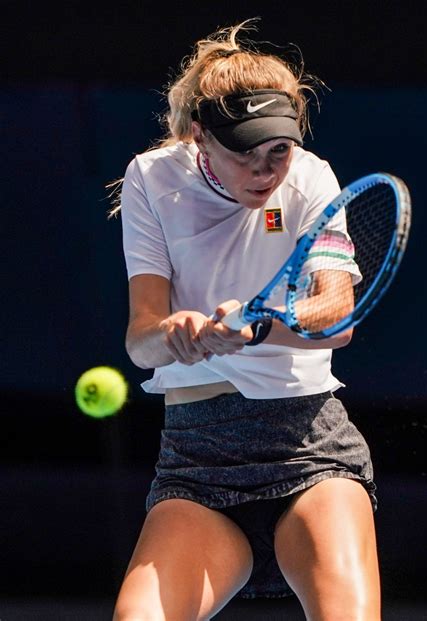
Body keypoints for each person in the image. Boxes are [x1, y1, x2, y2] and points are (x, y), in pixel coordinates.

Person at [111, 18, 380, 621]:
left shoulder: (312, 178)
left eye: (278, 149)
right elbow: (140, 342)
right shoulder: (151, 179)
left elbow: (337, 318)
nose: (267, 170)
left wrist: (259, 324)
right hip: (197, 460)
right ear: (201, 136)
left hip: (309, 449)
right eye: (245, 152)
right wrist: (176, 336)